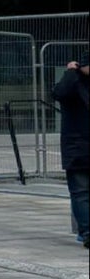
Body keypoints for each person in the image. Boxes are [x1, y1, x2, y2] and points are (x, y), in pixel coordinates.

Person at [51, 57, 89, 248]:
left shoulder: (73, 83)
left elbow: (58, 92)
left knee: (80, 192)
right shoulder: (74, 84)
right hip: (78, 147)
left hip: (76, 147)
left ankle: (87, 232)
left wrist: (70, 72)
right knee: (81, 192)